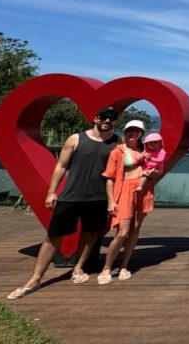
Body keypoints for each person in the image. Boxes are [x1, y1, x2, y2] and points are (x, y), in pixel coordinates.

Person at [8, 107, 120, 300]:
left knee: (91, 233)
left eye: (111, 118)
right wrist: (52, 191)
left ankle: (78, 267)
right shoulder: (76, 139)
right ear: (95, 118)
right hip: (71, 196)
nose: (107, 121)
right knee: (53, 236)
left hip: (98, 198)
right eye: (103, 117)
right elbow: (61, 165)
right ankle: (35, 278)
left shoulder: (117, 142)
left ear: (115, 121)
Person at [98, 120, 158, 284]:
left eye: (137, 131)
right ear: (125, 132)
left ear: (141, 134)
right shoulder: (118, 151)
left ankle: (124, 266)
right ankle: (107, 268)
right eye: (130, 130)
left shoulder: (146, 150)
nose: (133, 133)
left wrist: (152, 173)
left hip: (142, 192)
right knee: (122, 233)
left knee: (134, 232)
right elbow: (109, 177)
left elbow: (154, 172)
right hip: (124, 191)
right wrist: (111, 201)